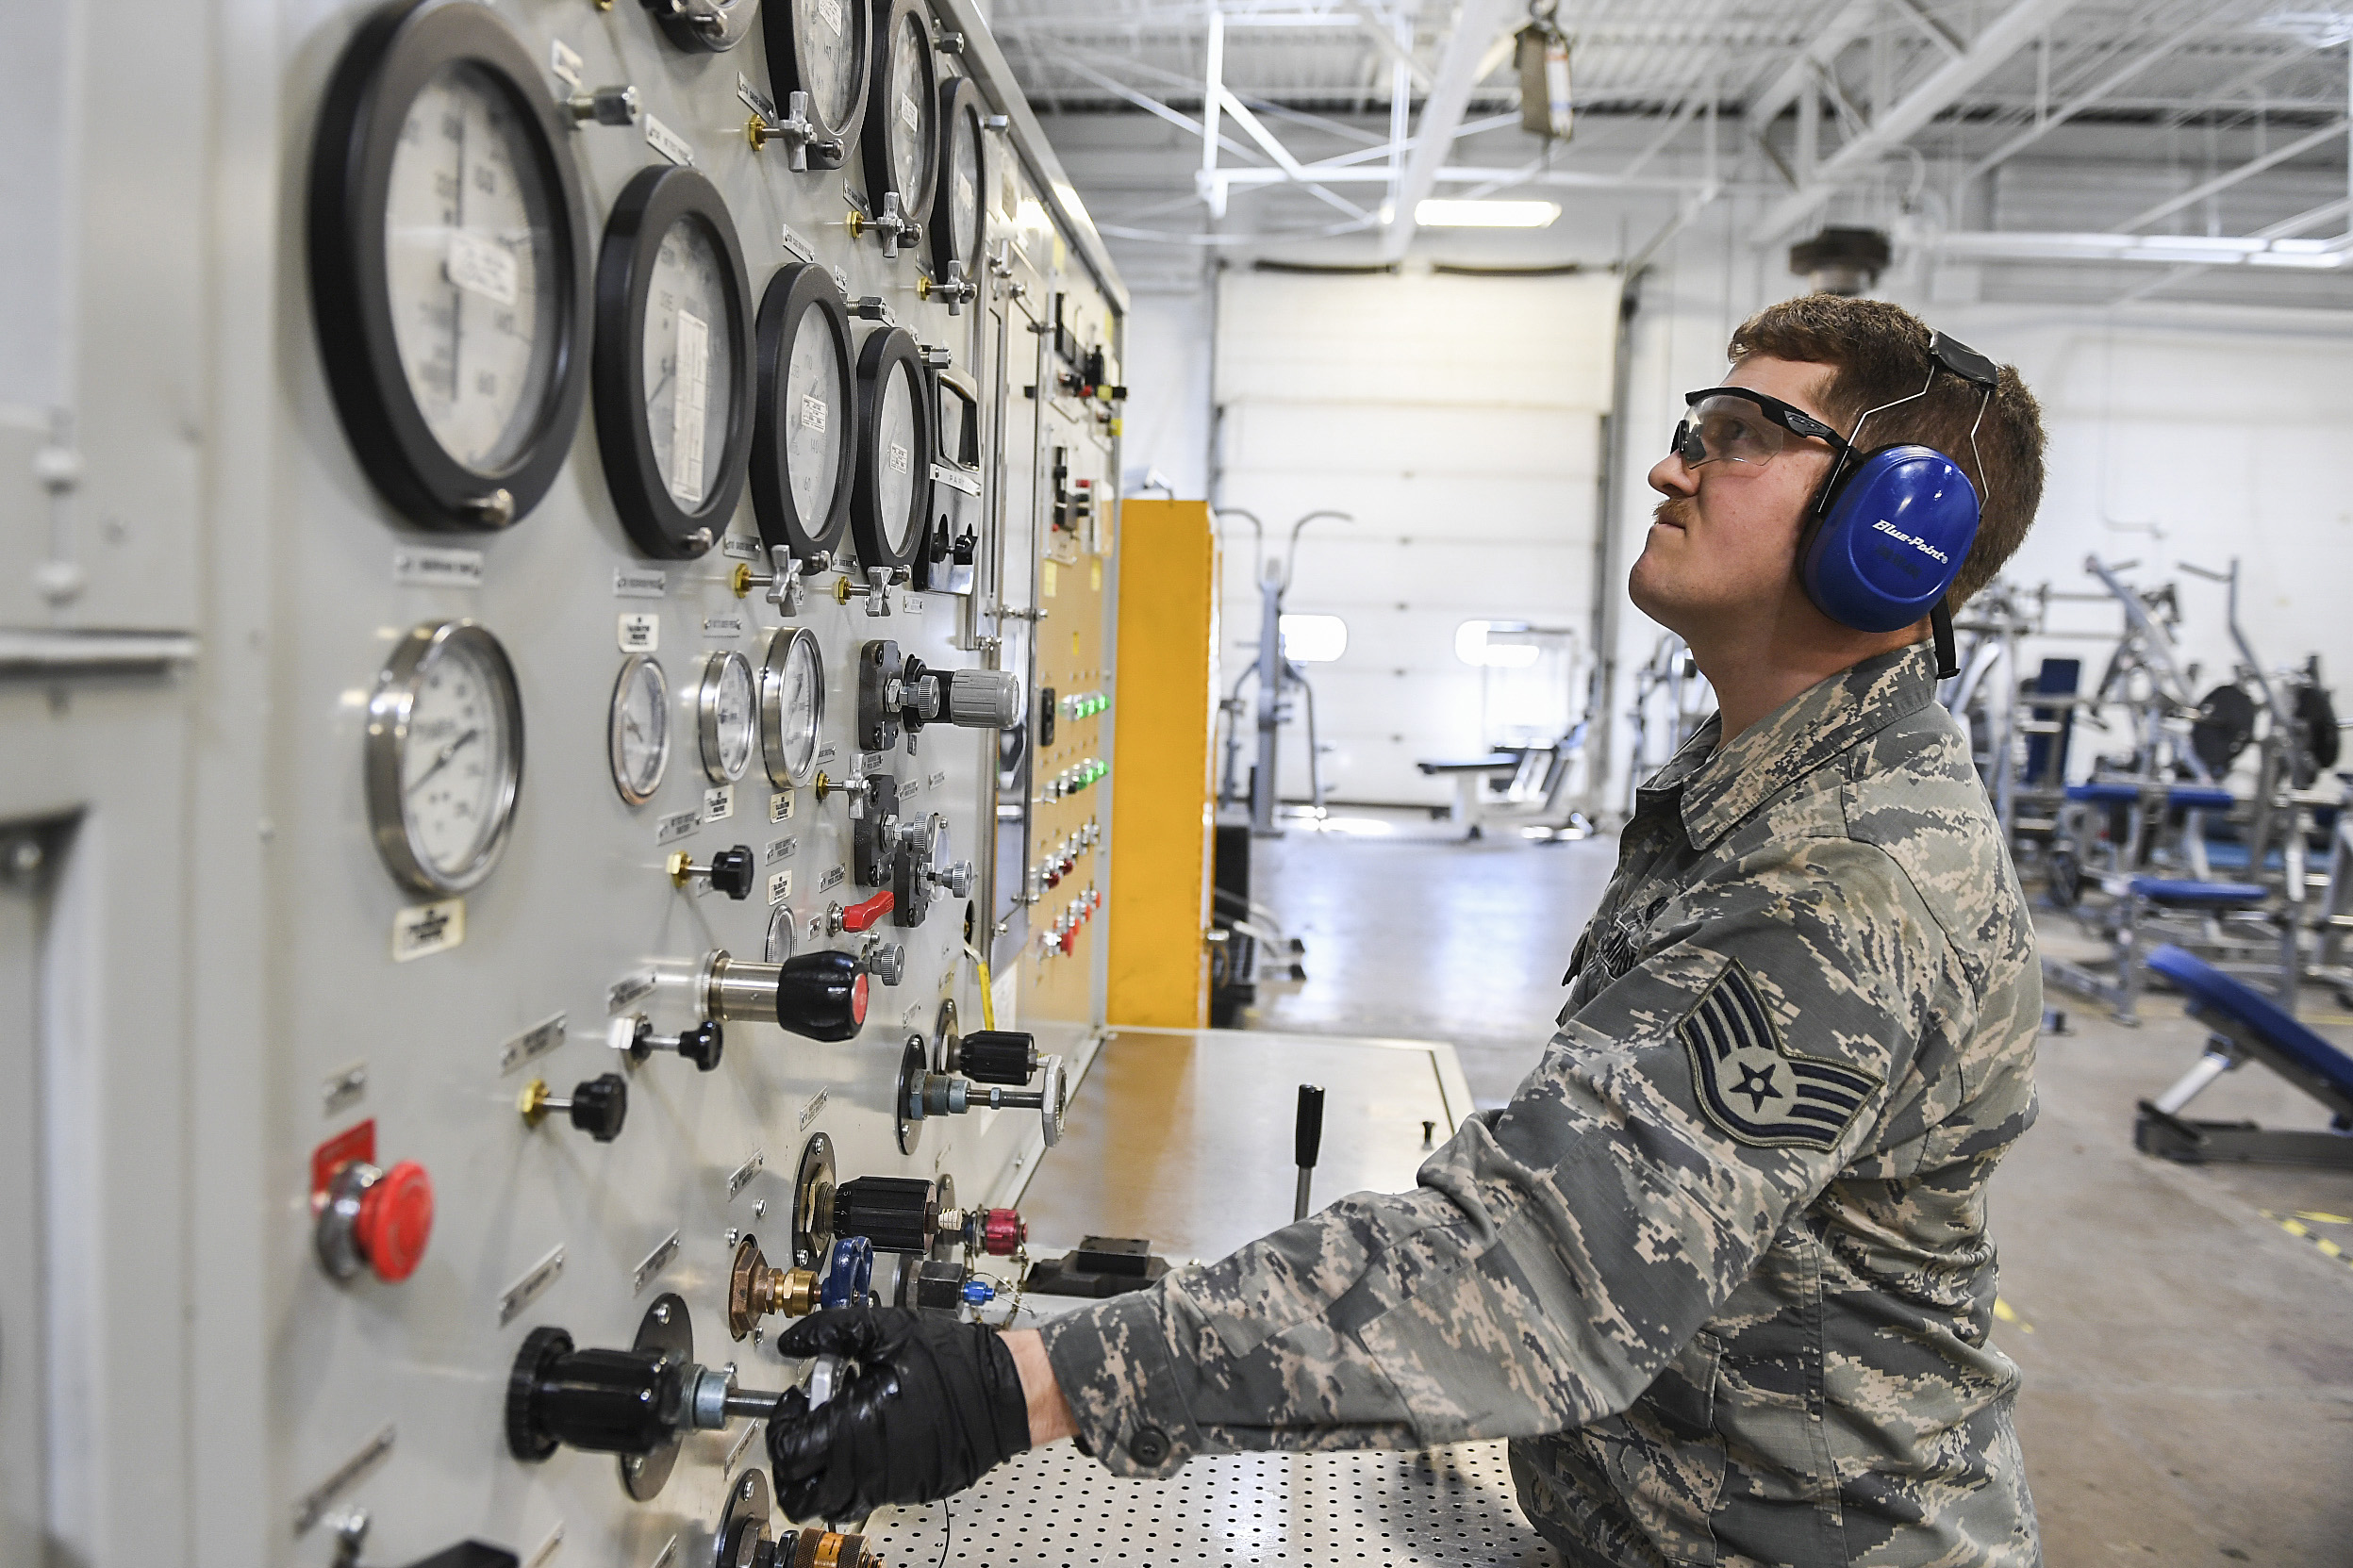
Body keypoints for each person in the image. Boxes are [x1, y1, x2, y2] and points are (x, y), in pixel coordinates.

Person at [765, 293, 2051, 1568]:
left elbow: (1531, 1275)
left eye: (1738, 432)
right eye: (1692, 424)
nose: (1673, 463)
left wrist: (1019, 1385)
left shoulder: (1846, 887)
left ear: (1897, 527)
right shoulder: (1769, 783)